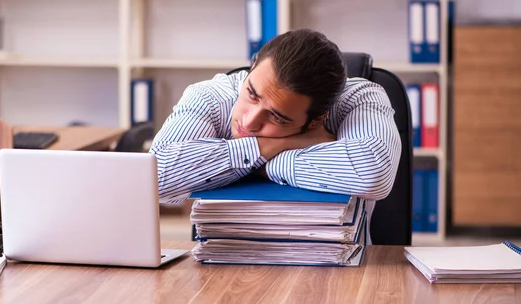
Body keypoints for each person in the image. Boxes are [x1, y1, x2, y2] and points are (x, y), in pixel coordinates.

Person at [148, 28, 402, 211]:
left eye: (277, 117)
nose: (248, 122)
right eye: (251, 94)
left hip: (338, 263)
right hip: (222, 261)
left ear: (315, 121)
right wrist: (269, 146)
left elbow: (373, 175)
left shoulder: (359, 97)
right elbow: (154, 178)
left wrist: (258, 166)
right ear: (253, 66)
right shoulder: (211, 96)